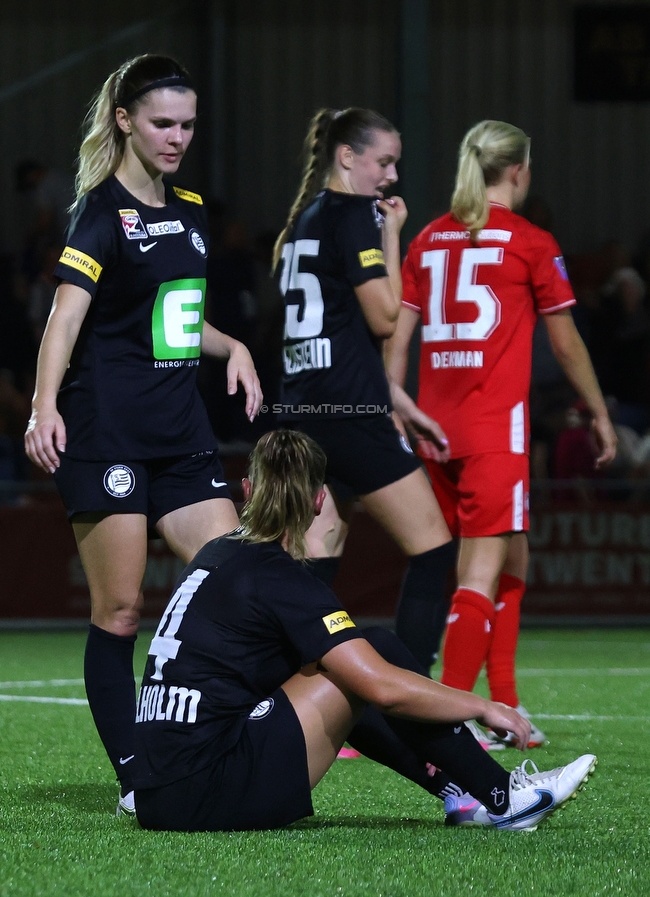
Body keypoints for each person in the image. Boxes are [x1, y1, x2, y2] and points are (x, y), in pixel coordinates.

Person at [132, 429, 596, 832]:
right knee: (372, 653)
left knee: (343, 665)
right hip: (206, 790)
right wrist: (483, 705)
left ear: (248, 490)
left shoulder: (215, 553)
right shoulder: (281, 577)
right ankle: (502, 798)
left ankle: (465, 794)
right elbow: (382, 686)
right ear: (319, 502)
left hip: (157, 794)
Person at [23, 54, 262, 815]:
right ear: (125, 119)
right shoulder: (100, 212)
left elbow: (180, 325)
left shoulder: (188, 205)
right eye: (163, 122)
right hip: (108, 434)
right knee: (121, 611)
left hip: (181, 432)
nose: (177, 137)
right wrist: (43, 405)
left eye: (188, 125)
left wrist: (238, 348)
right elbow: (65, 317)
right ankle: (137, 775)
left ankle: (226, 734)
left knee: (237, 583)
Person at [385, 120, 617, 747]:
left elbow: (397, 340)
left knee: (511, 559)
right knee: (478, 575)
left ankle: (506, 701)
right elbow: (566, 343)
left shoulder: (428, 239)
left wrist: (395, 403)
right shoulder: (531, 242)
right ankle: (459, 720)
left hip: (432, 429)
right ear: (518, 170)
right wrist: (597, 411)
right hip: (494, 430)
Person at [273, 107, 456, 675]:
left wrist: (398, 400)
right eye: (384, 161)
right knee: (435, 552)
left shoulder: (305, 218)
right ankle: (415, 704)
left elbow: (331, 333)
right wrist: (393, 233)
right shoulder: (355, 215)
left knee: (313, 566)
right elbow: (382, 320)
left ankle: (295, 697)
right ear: (347, 157)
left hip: (306, 414)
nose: (392, 175)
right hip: (350, 416)